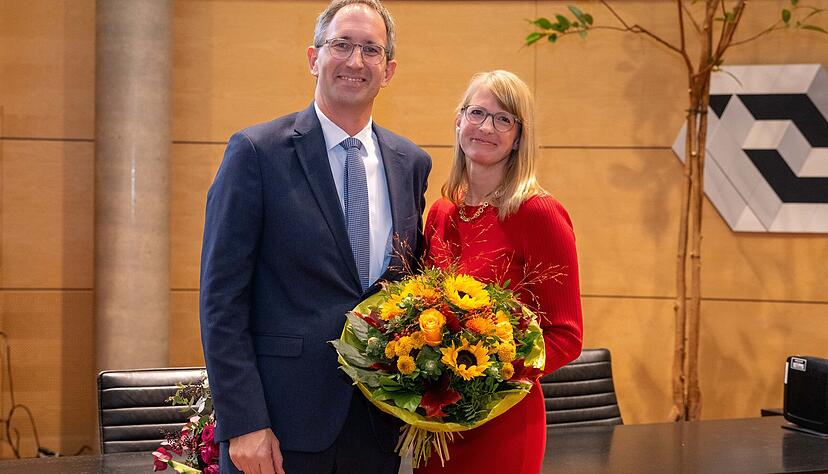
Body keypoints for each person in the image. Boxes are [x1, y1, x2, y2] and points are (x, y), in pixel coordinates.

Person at [199, 1, 431, 473]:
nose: (354, 61)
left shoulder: (411, 163)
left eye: (370, 49)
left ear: (388, 71)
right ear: (313, 58)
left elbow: (406, 289)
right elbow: (221, 299)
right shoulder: (256, 153)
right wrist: (244, 422)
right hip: (276, 430)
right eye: (341, 45)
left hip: (377, 425)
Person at [418, 70, 583, 473]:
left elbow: (566, 335)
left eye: (503, 119)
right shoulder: (441, 212)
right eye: (477, 113)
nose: (486, 128)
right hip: (437, 422)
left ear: (518, 137)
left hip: (503, 419)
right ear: (459, 120)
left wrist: (488, 376)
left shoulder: (538, 213)